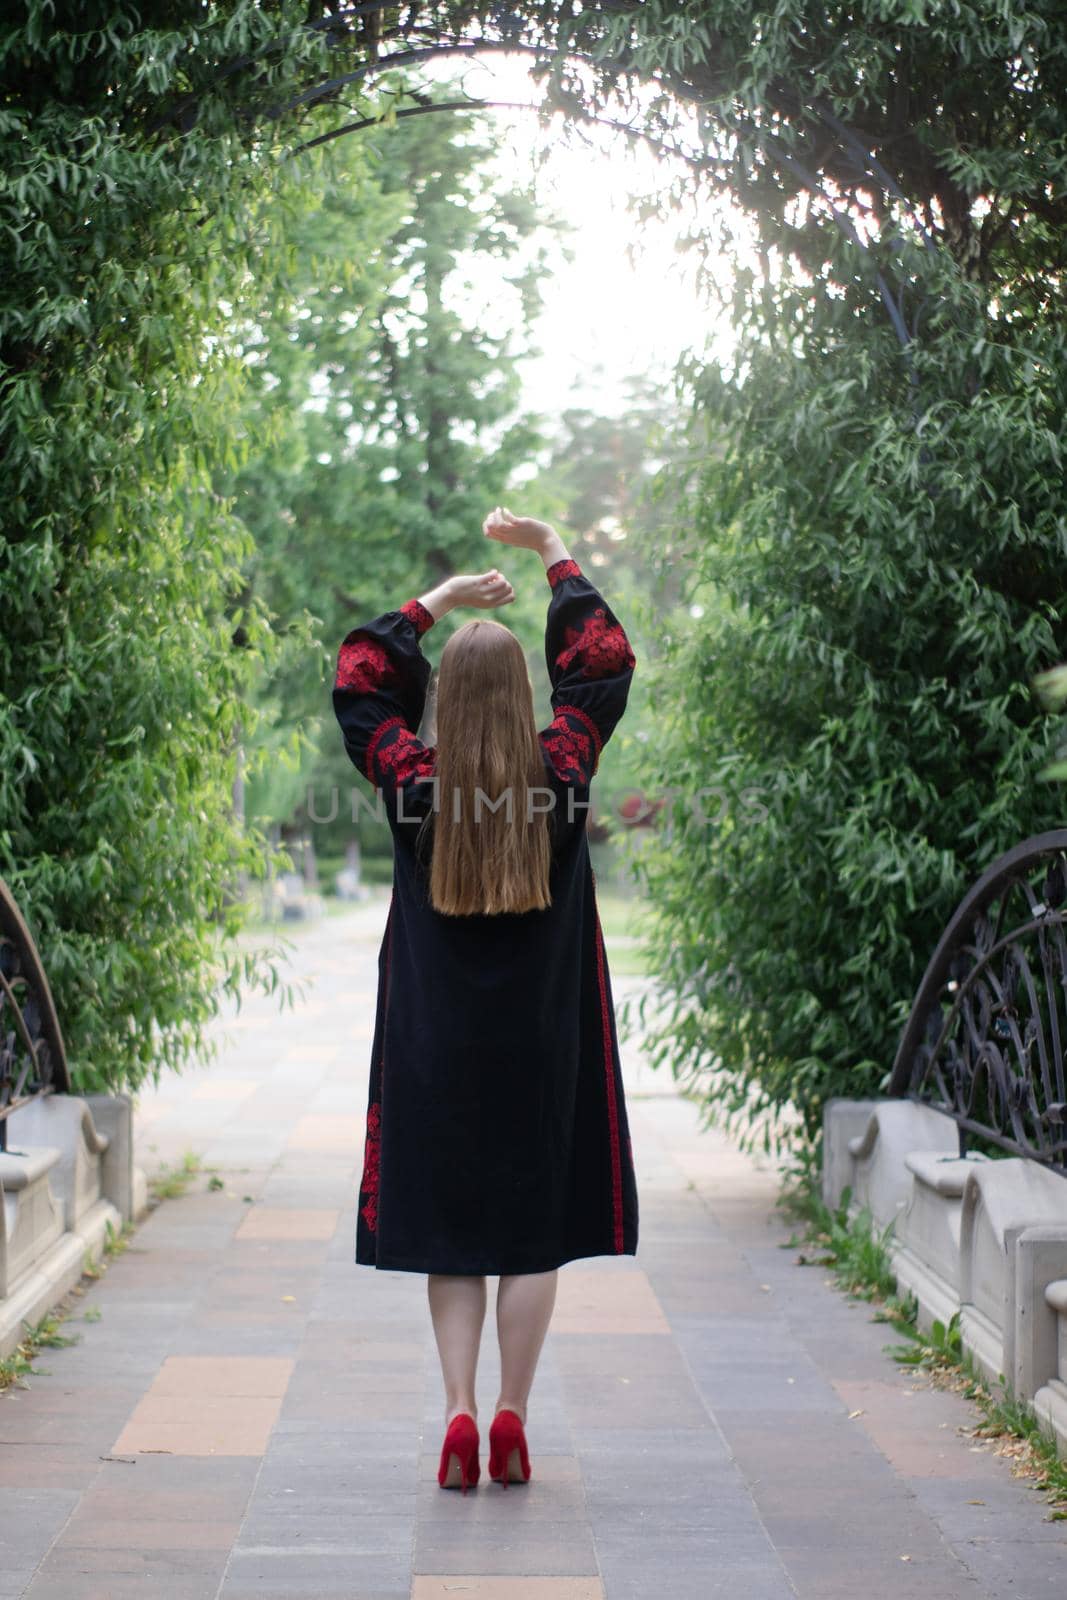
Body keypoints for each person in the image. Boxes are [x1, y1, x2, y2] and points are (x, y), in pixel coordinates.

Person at [331, 507, 639, 1494]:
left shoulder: (411, 782)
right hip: (538, 1047)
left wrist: (435, 604)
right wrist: (551, 551)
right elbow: (600, 664)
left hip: (436, 1049)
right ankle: (512, 1411)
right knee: (527, 1231)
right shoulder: (560, 774)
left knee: (452, 1235)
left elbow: (357, 682)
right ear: (518, 696)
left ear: (445, 706)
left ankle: (457, 1411)